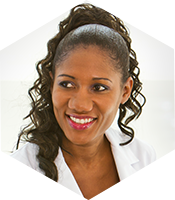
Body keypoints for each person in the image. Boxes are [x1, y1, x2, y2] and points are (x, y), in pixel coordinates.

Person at [4, 3, 163, 200]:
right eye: (67, 84)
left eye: (99, 87)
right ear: (52, 82)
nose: (80, 105)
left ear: (125, 90)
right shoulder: (14, 176)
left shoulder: (144, 158)